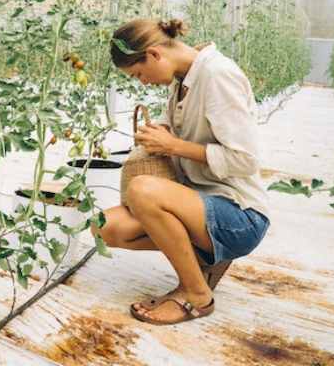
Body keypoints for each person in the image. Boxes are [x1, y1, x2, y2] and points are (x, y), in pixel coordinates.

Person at [92, 18, 270, 325]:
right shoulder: (183, 80)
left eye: (139, 74)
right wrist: (157, 132)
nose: (143, 82)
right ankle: (205, 258)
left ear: (154, 54)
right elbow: (172, 125)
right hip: (199, 202)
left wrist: (173, 146)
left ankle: (197, 294)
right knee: (105, 227)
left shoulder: (217, 75)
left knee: (142, 190)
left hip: (240, 216)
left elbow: (246, 160)